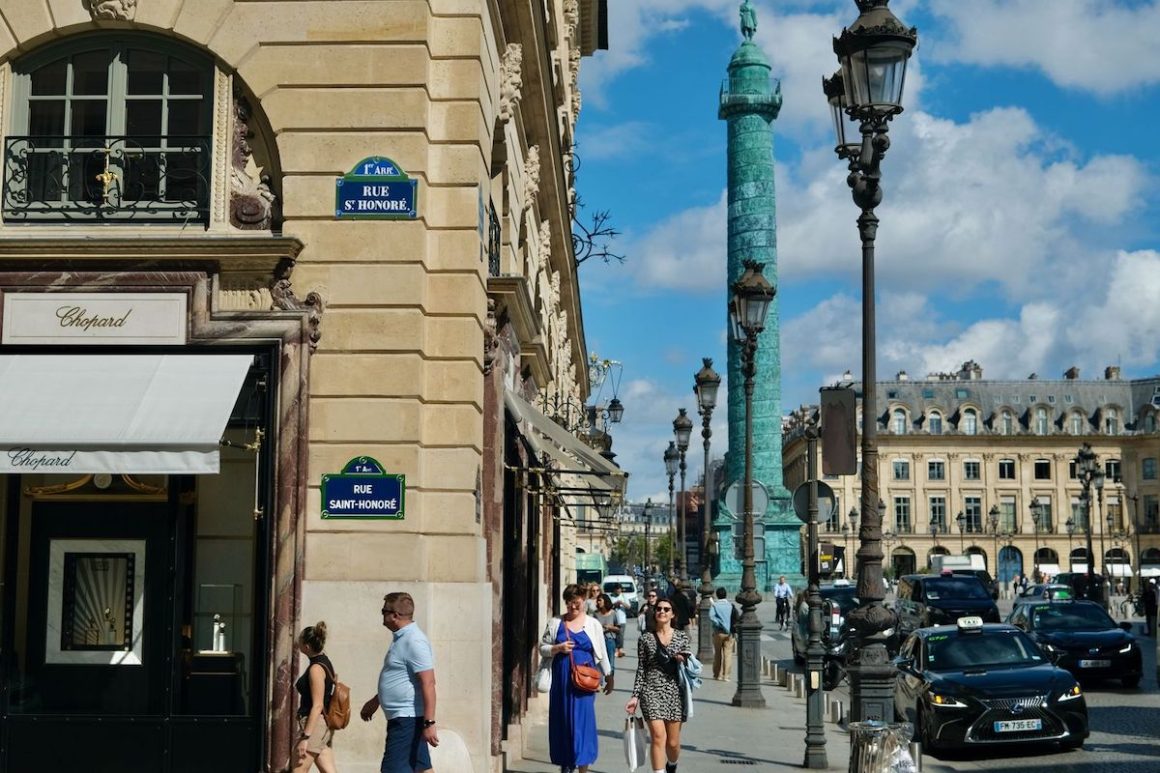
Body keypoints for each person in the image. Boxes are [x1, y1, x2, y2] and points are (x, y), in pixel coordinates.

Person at [359, 592, 439, 773]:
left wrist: (429, 723)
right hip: (405, 718)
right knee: (422, 769)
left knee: (393, 769)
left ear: (395, 615)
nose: (382, 615)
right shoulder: (402, 638)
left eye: (383, 611)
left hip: (407, 720)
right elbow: (399, 678)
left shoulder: (414, 641)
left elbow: (428, 683)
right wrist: (376, 701)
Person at [540, 583, 614, 773]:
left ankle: (582, 767)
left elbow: (601, 651)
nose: (573, 607)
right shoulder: (556, 622)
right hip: (562, 678)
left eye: (577, 603)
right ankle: (566, 765)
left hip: (584, 679)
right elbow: (543, 648)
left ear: (583, 601)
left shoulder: (593, 624)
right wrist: (558, 648)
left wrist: (608, 675)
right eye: (569, 603)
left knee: (583, 723)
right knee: (563, 721)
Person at [626, 596, 692, 773]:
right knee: (657, 736)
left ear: (673, 614)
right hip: (651, 690)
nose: (662, 611)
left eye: (666, 609)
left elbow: (689, 664)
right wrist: (635, 696)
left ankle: (672, 764)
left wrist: (682, 659)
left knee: (672, 743)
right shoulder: (646, 639)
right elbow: (642, 669)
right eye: (659, 609)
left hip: (675, 691)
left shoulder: (682, 637)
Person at [294, 622, 338, 773]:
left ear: (306, 646)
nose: (297, 642)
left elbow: (317, 705)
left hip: (315, 725)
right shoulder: (323, 662)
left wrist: (305, 737)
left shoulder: (316, 668)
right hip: (321, 725)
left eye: (299, 640)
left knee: (298, 770)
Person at [708, 587, 737, 681]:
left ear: (717, 595)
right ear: (726, 595)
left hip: (718, 632)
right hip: (729, 633)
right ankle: (726, 675)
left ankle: (717, 675)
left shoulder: (715, 605)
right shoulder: (730, 605)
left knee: (717, 654)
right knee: (728, 654)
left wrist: (718, 622)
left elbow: (711, 616)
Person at [593, 593, 619, 675]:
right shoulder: (595, 614)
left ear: (605, 601)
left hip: (609, 640)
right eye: (597, 601)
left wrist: (610, 627)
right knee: (598, 662)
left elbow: (618, 628)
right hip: (598, 641)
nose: (598, 602)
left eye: (600, 600)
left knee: (610, 663)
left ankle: (610, 681)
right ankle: (599, 684)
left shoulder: (613, 613)